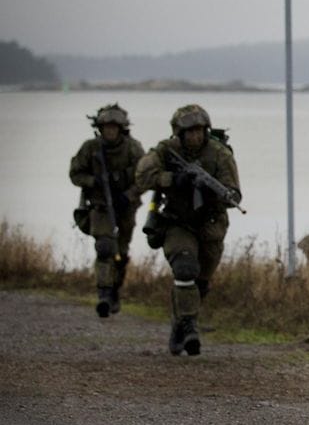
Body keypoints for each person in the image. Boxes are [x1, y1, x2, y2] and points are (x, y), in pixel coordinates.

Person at [135, 104, 242, 356]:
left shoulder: (220, 154)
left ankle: (180, 324)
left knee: (201, 282)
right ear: (179, 133)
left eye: (199, 131)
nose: (195, 136)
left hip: (210, 224)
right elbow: (142, 175)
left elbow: (234, 193)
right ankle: (189, 326)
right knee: (185, 269)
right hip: (176, 221)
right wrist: (173, 180)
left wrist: (212, 191)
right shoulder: (166, 150)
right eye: (189, 131)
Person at [69, 103, 145, 317]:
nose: (110, 131)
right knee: (104, 248)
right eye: (106, 127)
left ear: (121, 128)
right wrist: (95, 181)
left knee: (121, 253)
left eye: (114, 127)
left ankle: (114, 291)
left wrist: (127, 195)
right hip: (100, 206)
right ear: (100, 128)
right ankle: (103, 294)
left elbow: (145, 177)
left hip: (126, 207)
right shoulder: (90, 148)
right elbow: (75, 174)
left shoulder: (133, 148)